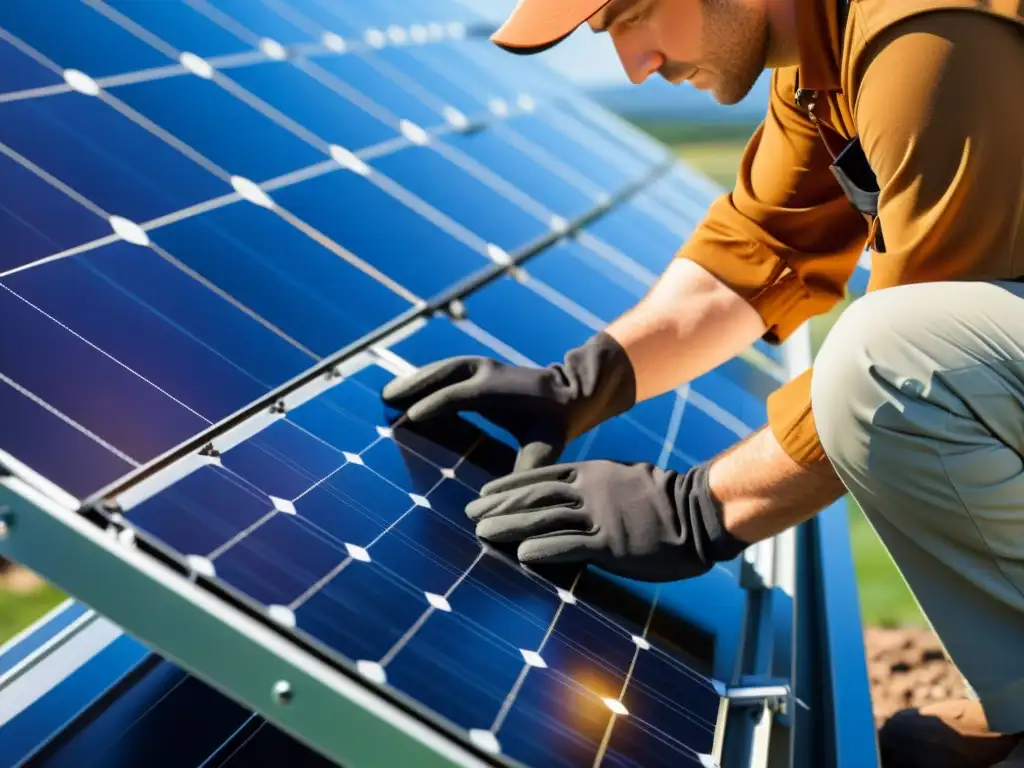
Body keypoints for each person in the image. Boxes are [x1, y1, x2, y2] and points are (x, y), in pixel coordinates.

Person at [382, 0, 1024, 764]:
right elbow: (762, 246)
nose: (635, 63)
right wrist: (579, 384)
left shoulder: (925, 30)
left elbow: (914, 368)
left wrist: (698, 509)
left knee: (886, 352)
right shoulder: (819, 60)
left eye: (633, 16)